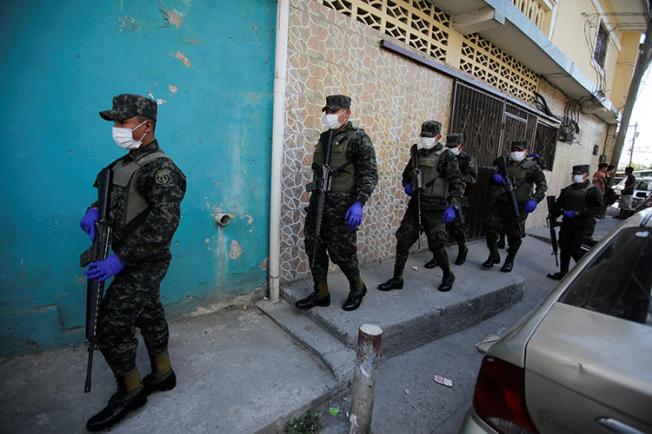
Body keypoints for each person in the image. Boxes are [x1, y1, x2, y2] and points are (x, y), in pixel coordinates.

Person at [80, 94, 186, 431]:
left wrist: (119, 260)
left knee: (110, 326)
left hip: (145, 260)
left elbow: (163, 226)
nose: (117, 129)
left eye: (123, 123)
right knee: (149, 311)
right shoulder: (122, 164)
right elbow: (108, 196)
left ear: (146, 126)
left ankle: (131, 391)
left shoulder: (161, 169)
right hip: (124, 256)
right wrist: (92, 210)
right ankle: (163, 373)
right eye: (116, 122)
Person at [295, 95, 378, 311]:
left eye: (334, 111)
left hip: (343, 208)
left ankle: (358, 287)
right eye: (327, 111)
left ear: (347, 113)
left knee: (343, 253)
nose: (329, 116)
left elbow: (369, 174)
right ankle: (321, 292)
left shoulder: (358, 138)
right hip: (319, 204)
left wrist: (359, 202)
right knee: (313, 248)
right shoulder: (324, 138)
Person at [378, 121, 465, 293]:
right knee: (403, 240)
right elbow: (406, 176)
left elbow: (458, 182)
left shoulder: (446, 156)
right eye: (423, 136)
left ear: (438, 137)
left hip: (436, 208)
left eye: (429, 137)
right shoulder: (417, 155)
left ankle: (448, 275)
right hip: (416, 205)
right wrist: (407, 186)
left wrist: (453, 205)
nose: (425, 139)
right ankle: (397, 278)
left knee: (437, 245)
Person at [483, 140, 547, 272]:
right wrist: (495, 178)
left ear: (525, 152)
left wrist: (534, 200)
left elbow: (542, 186)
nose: (516, 152)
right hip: (501, 203)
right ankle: (493, 254)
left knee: (514, 235)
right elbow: (493, 179)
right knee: (490, 228)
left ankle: (510, 260)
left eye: (519, 150)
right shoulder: (504, 163)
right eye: (514, 149)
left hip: (520, 206)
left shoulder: (532, 167)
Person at [424, 133, 477, 268]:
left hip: (459, 197)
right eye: (449, 146)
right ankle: (437, 257)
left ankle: (462, 249)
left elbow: (472, 179)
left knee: (457, 229)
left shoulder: (468, 159)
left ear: (461, 146)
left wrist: (455, 177)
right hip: (441, 196)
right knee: (439, 229)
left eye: (453, 146)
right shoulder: (443, 156)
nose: (450, 148)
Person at [547, 165, 602, 280]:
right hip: (568, 224)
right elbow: (559, 204)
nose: (576, 176)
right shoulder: (568, 189)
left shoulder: (593, 190)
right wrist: (553, 215)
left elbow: (597, 209)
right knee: (565, 248)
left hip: (583, 225)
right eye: (575, 174)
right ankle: (563, 273)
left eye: (579, 173)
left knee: (577, 250)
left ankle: (587, 275)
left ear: (586, 175)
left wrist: (578, 213)